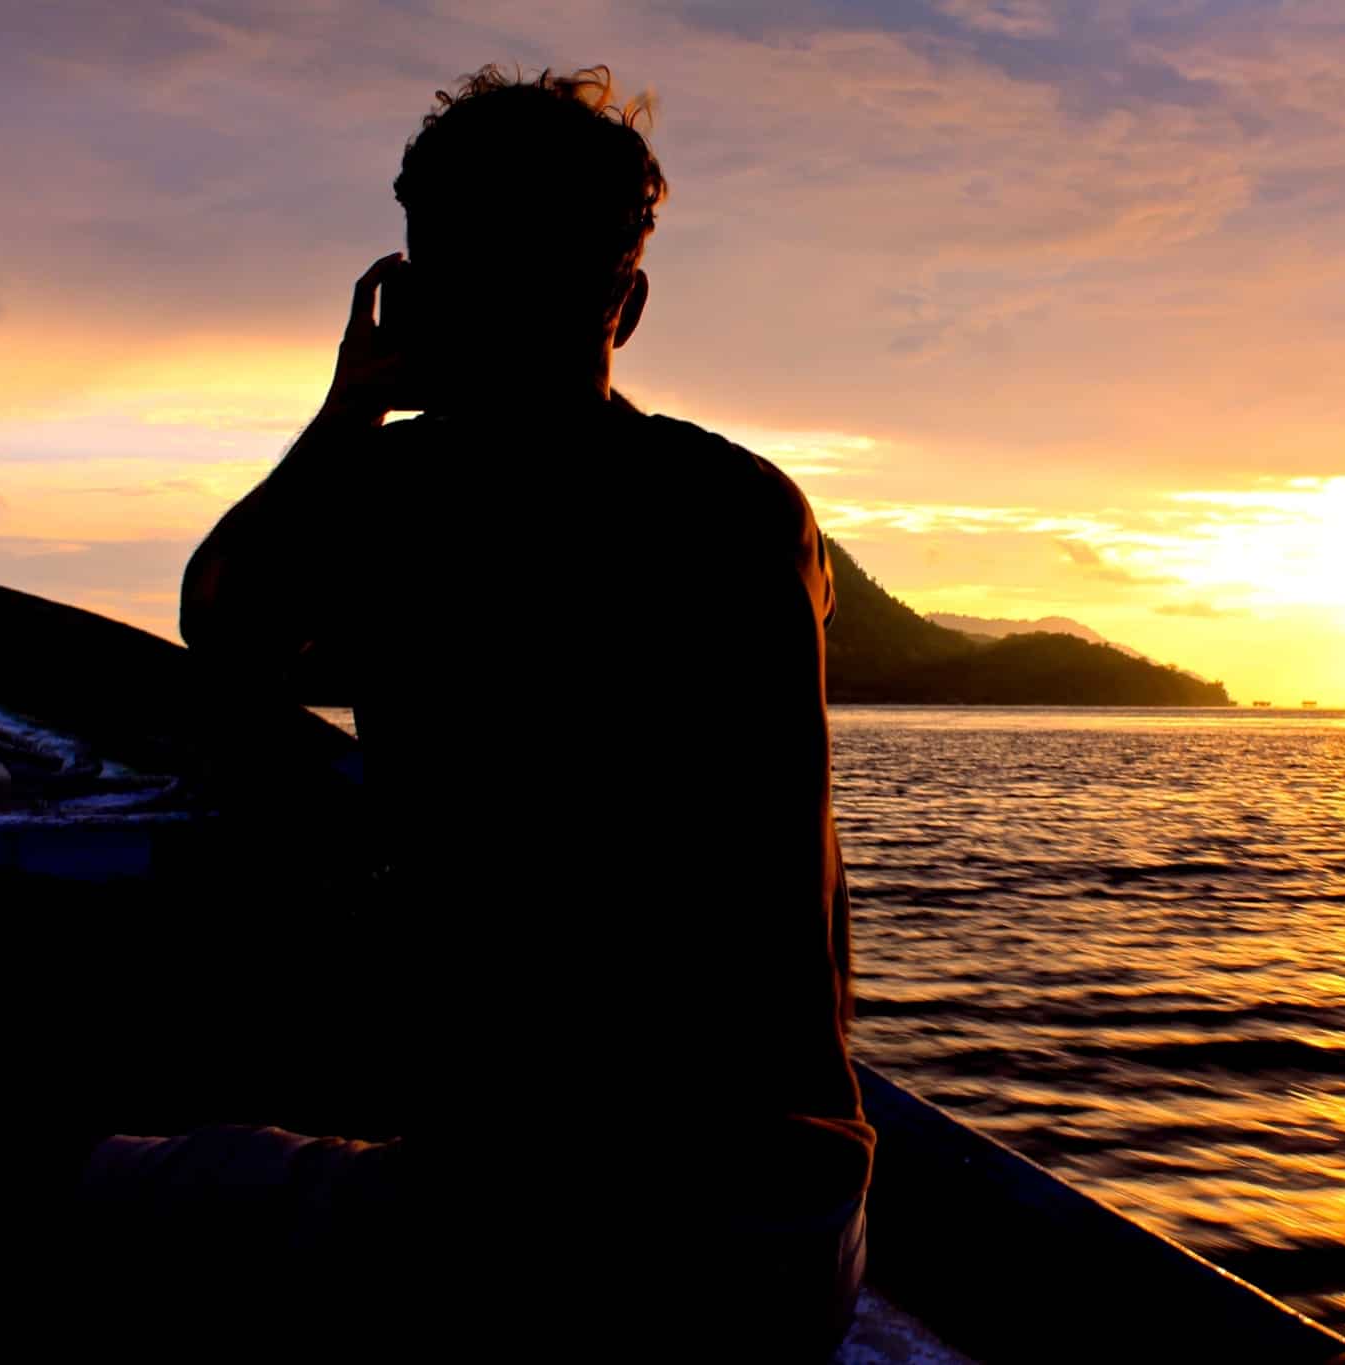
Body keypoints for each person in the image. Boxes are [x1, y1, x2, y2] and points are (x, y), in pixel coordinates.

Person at [181, 64, 873, 1357]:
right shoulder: (756, 514)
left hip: (553, 1238)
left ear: (416, 291)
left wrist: (347, 410)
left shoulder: (395, 497)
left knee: (79, 1192)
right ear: (629, 299)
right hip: (793, 1237)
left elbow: (222, 622)